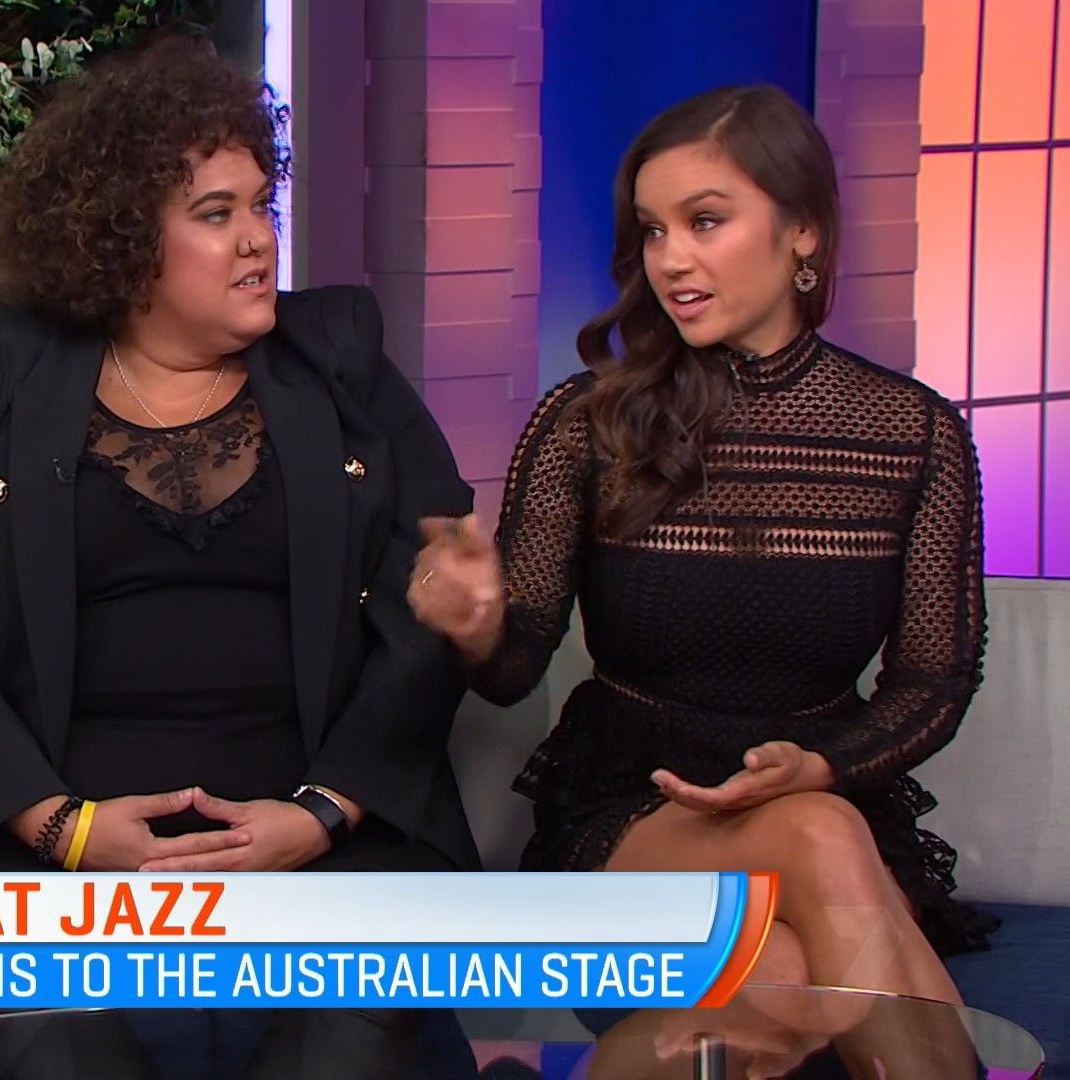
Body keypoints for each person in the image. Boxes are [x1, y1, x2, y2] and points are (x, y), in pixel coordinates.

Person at [0, 36, 479, 1079]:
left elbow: (422, 620)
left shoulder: (341, 364)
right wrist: (63, 831)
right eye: (216, 214)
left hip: (321, 841)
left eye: (261, 207)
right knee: (49, 1037)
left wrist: (320, 817)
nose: (258, 241)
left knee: (351, 1036)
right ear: (123, 242)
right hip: (40, 850)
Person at [408, 86, 994, 1076]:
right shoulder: (588, 423)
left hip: (826, 799)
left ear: (803, 230)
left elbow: (933, 679)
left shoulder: (915, 434)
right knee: (818, 841)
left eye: (705, 222)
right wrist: (475, 626)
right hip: (631, 815)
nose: (671, 260)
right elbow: (512, 672)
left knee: (790, 948)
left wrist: (821, 767)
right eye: (653, 231)